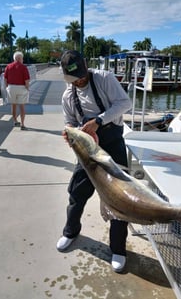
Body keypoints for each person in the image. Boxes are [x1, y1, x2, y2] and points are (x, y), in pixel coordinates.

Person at [57, 50, 132, 273]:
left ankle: (118, 248)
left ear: (86, 67)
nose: (79, 81)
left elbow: (124, 103)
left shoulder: (104, 79)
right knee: (77, 192)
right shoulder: (67, 96)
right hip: (87, 147)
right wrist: (69, 132)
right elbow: (69, 122)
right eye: (73, 78)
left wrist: (98, 121)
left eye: (81, 75)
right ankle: (70, 232)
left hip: (112, 142)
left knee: (119, 197)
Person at [4, 51, 30, 130]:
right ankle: (22, 124)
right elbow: (27, 80)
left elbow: (5, 79)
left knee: (13, 105)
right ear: (20, 58)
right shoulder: (23, 67)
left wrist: (7, 87)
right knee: (22, 106)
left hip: (11, 87)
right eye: (22, 58)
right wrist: (27, 88)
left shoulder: (8, 66)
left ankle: (15, 121)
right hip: (21, 87)